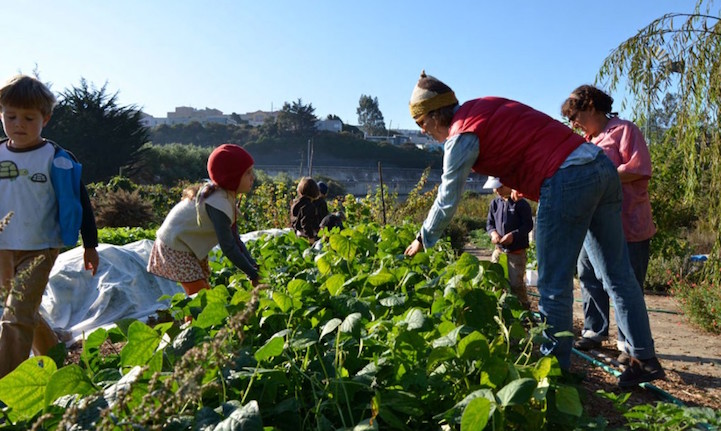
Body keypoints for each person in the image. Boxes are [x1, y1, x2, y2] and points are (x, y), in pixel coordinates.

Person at [402, 71, 664, 387]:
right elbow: (522, 144)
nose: (423, 131)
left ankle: (554, 374)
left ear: (432, 116)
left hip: (566, 176)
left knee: (553, 283)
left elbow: (448, 195)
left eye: (421, 123)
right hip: (601, 167)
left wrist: (423, 238)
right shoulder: (482, 107)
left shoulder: (461, 134)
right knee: (618, 274)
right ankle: (643, 358)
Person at [0, 75, 99, 378]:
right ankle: (55, 354)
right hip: (3, 247)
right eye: (11, 116)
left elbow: (79, 201)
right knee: (19, 307)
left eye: (29, 118)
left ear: (46, 118)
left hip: (41, 246)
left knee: (15, 314)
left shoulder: (56, 158)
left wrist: (90, 244)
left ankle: (4, 382)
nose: (19, 124)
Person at [562, 85, 656, 365]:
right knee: (588, 274)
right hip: (594, 227)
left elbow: (639, 167)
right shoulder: (586, 141)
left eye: (575, 115)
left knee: (626, 284)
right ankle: (594, 329)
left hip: (628, 223)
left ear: (591, 106)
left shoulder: (624, 131)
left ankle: (630, 345)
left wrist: (600, 177)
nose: (573, 123)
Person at [148, 144, 260, 295]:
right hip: (175, 247)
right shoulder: (218, 203)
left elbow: (235, 239)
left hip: (186, 247)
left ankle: (190, 319)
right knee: (202, 298)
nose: (253, 177)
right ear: (232, 177)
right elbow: (228, 247)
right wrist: (252, 274)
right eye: (247, 173)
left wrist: (254, 267)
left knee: (200, 297)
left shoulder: (224, 198)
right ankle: (191, 319)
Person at [484, 176, 533, 309]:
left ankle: (523, 308)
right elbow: (489, 224)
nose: (497, 190)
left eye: (500, 187)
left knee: (516, 284)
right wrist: (493, 233)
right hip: (499, 251)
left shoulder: (521, 204)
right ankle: (498, 308)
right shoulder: (494, 204)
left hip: (516, 253)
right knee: (496, 281)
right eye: (495, 188)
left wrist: (513, 235)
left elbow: (528, 225)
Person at [290, 177, 320, 242]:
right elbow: (306, 222)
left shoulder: (295, 203)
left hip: (297, 233)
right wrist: (311, 237)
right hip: (307, 236)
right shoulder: (309, 206)